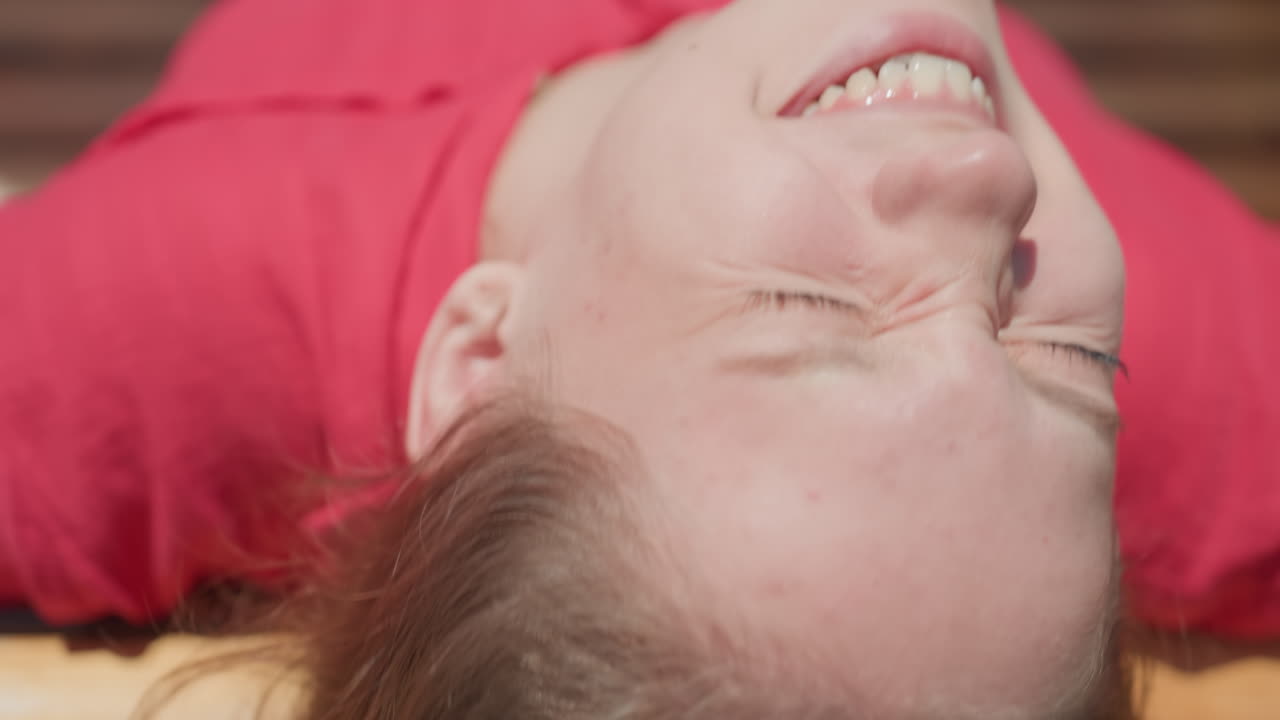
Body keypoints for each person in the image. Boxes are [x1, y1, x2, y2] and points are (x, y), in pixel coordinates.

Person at [1, 0, 1278, 716]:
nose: (984, 171)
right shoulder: (1220, 380)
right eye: (1059, 353)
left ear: (484, 362)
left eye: (801, 302)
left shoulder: (136, 320)